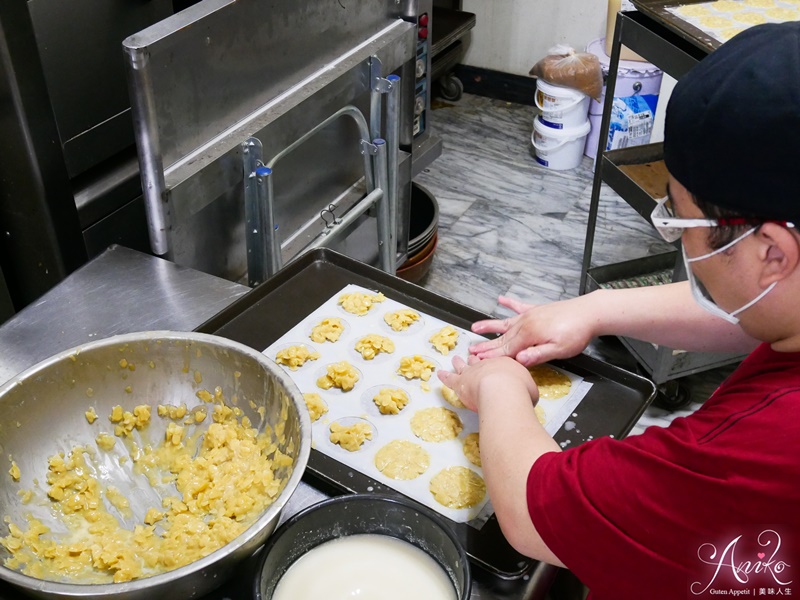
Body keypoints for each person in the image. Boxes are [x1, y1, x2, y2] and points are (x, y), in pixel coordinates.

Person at [438, 21, 800, 600]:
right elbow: (762, 309)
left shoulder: (764, 447)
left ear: (773, 252)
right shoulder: (788, 298)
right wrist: (597, 309)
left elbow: (536, 513)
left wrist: (501, 385)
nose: (682, 246)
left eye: (682, 222)